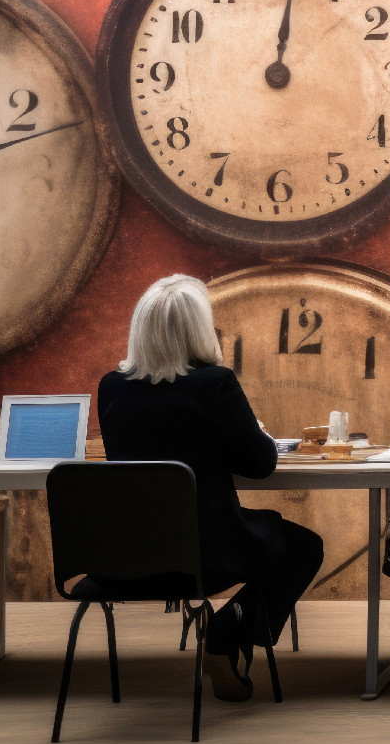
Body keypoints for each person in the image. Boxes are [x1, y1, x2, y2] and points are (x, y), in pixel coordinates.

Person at [95, 275, 324, 701]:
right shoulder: (214, 383)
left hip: (130, 554)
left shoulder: (112, 388)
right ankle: (224, 632)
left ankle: (225, 637)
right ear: (198, 329)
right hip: (209, 551)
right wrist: (253, 433)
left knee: (280, 540)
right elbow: (261, 465)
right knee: (304, 546)